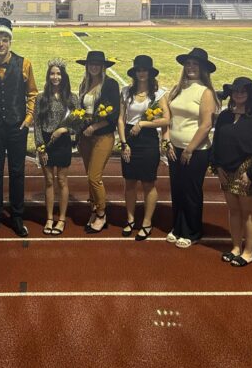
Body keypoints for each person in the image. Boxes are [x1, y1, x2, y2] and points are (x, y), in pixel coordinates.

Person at [0, 17, 38, 238]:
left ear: (10, 42)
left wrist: (27, 119)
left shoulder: (24, 63)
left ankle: (17, 216)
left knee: (17, 172)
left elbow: (32, 94)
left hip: (17, 127)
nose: (1, 44)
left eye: (4, 40)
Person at [210, 77, 252, 266]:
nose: (239, 94)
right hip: (226, 169)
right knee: (234, 211)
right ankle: (236, 247)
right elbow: (217, 142)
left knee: (249, 213)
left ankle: (249, 251)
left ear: (250, 94)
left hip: (248, 169)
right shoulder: (224, 116)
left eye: (243, 91)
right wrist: (217, 166)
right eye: (236, 91)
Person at [163, 47, 219, 248]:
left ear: (203, 68)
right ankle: (178, 226)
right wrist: (167, 142)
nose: (191, 67)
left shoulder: (206, 92)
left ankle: (192, 231)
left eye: (195, 64)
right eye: (188, 63)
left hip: (195, 151)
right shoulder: (177, 89)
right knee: (177, 189)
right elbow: (168, 118)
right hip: (174, 148)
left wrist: (189, 149)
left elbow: (206, 125)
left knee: (191, 192)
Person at [117, 55, 170, 241]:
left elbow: (166, 119)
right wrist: (124, 143)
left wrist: (143, 124)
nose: (141, 73)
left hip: (148, 140)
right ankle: (130, 219)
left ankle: (147, 222)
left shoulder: (158, 94)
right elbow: (121, 119)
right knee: (130, 182)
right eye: (138, 70)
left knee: (148, 183)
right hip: (129, 139)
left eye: (144, 70)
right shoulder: (126, 91)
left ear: (150, 73)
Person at [76, 50, 120, 234]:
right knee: (89, 176)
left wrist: (94, 127)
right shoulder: (84, 84)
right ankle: (94, 208)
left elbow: (114, 113)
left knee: (94, 177)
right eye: (91, 64)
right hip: (85, 137)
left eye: (97, 64)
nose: (93, 67)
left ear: (103, 66)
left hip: (103, 136)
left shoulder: (110, 84)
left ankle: (102, 214)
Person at [33, 58, 79, 236]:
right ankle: (49, 218)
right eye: (52, 73)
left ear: (64, 76)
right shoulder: (41, 97)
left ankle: (62, 219)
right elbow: (37, 124)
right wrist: (40, 147)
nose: (55, 77)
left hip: (63, 142)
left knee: (62, 180)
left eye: (58, 73)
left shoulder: (72, 98)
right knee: (49, 181)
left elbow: (78, 123)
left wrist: (64, 129)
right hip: (46, 142)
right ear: (48, 76)